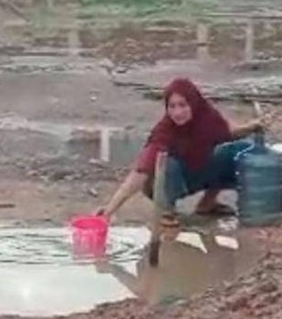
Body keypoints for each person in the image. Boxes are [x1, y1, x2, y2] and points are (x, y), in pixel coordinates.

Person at [97, 78, 263, 264]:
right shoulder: (165, 131)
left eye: (182, 105)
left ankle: (207, 204)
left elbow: (225, 134)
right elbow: (141, 171)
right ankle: (168, 214)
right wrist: (109, 211)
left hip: (193, 171)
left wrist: (252, 127)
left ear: (193, 103)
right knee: (167, 162)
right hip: (163, 184)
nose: (177, 112)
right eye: (172, 106)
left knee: (238, 151)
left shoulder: (207, 117)